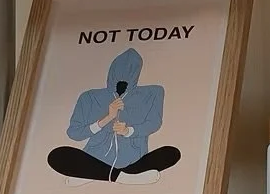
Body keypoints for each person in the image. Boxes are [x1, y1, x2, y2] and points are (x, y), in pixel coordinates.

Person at [47, 47, 181, 186]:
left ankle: (94, 174)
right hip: (94, 158)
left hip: (134, 159)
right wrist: (106, 119)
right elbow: (74, 133)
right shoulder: (89, 97)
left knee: (171, 153)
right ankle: (125, 177)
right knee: (58, 155)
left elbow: (154, 123)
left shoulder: (152, 93)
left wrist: (128, 131)